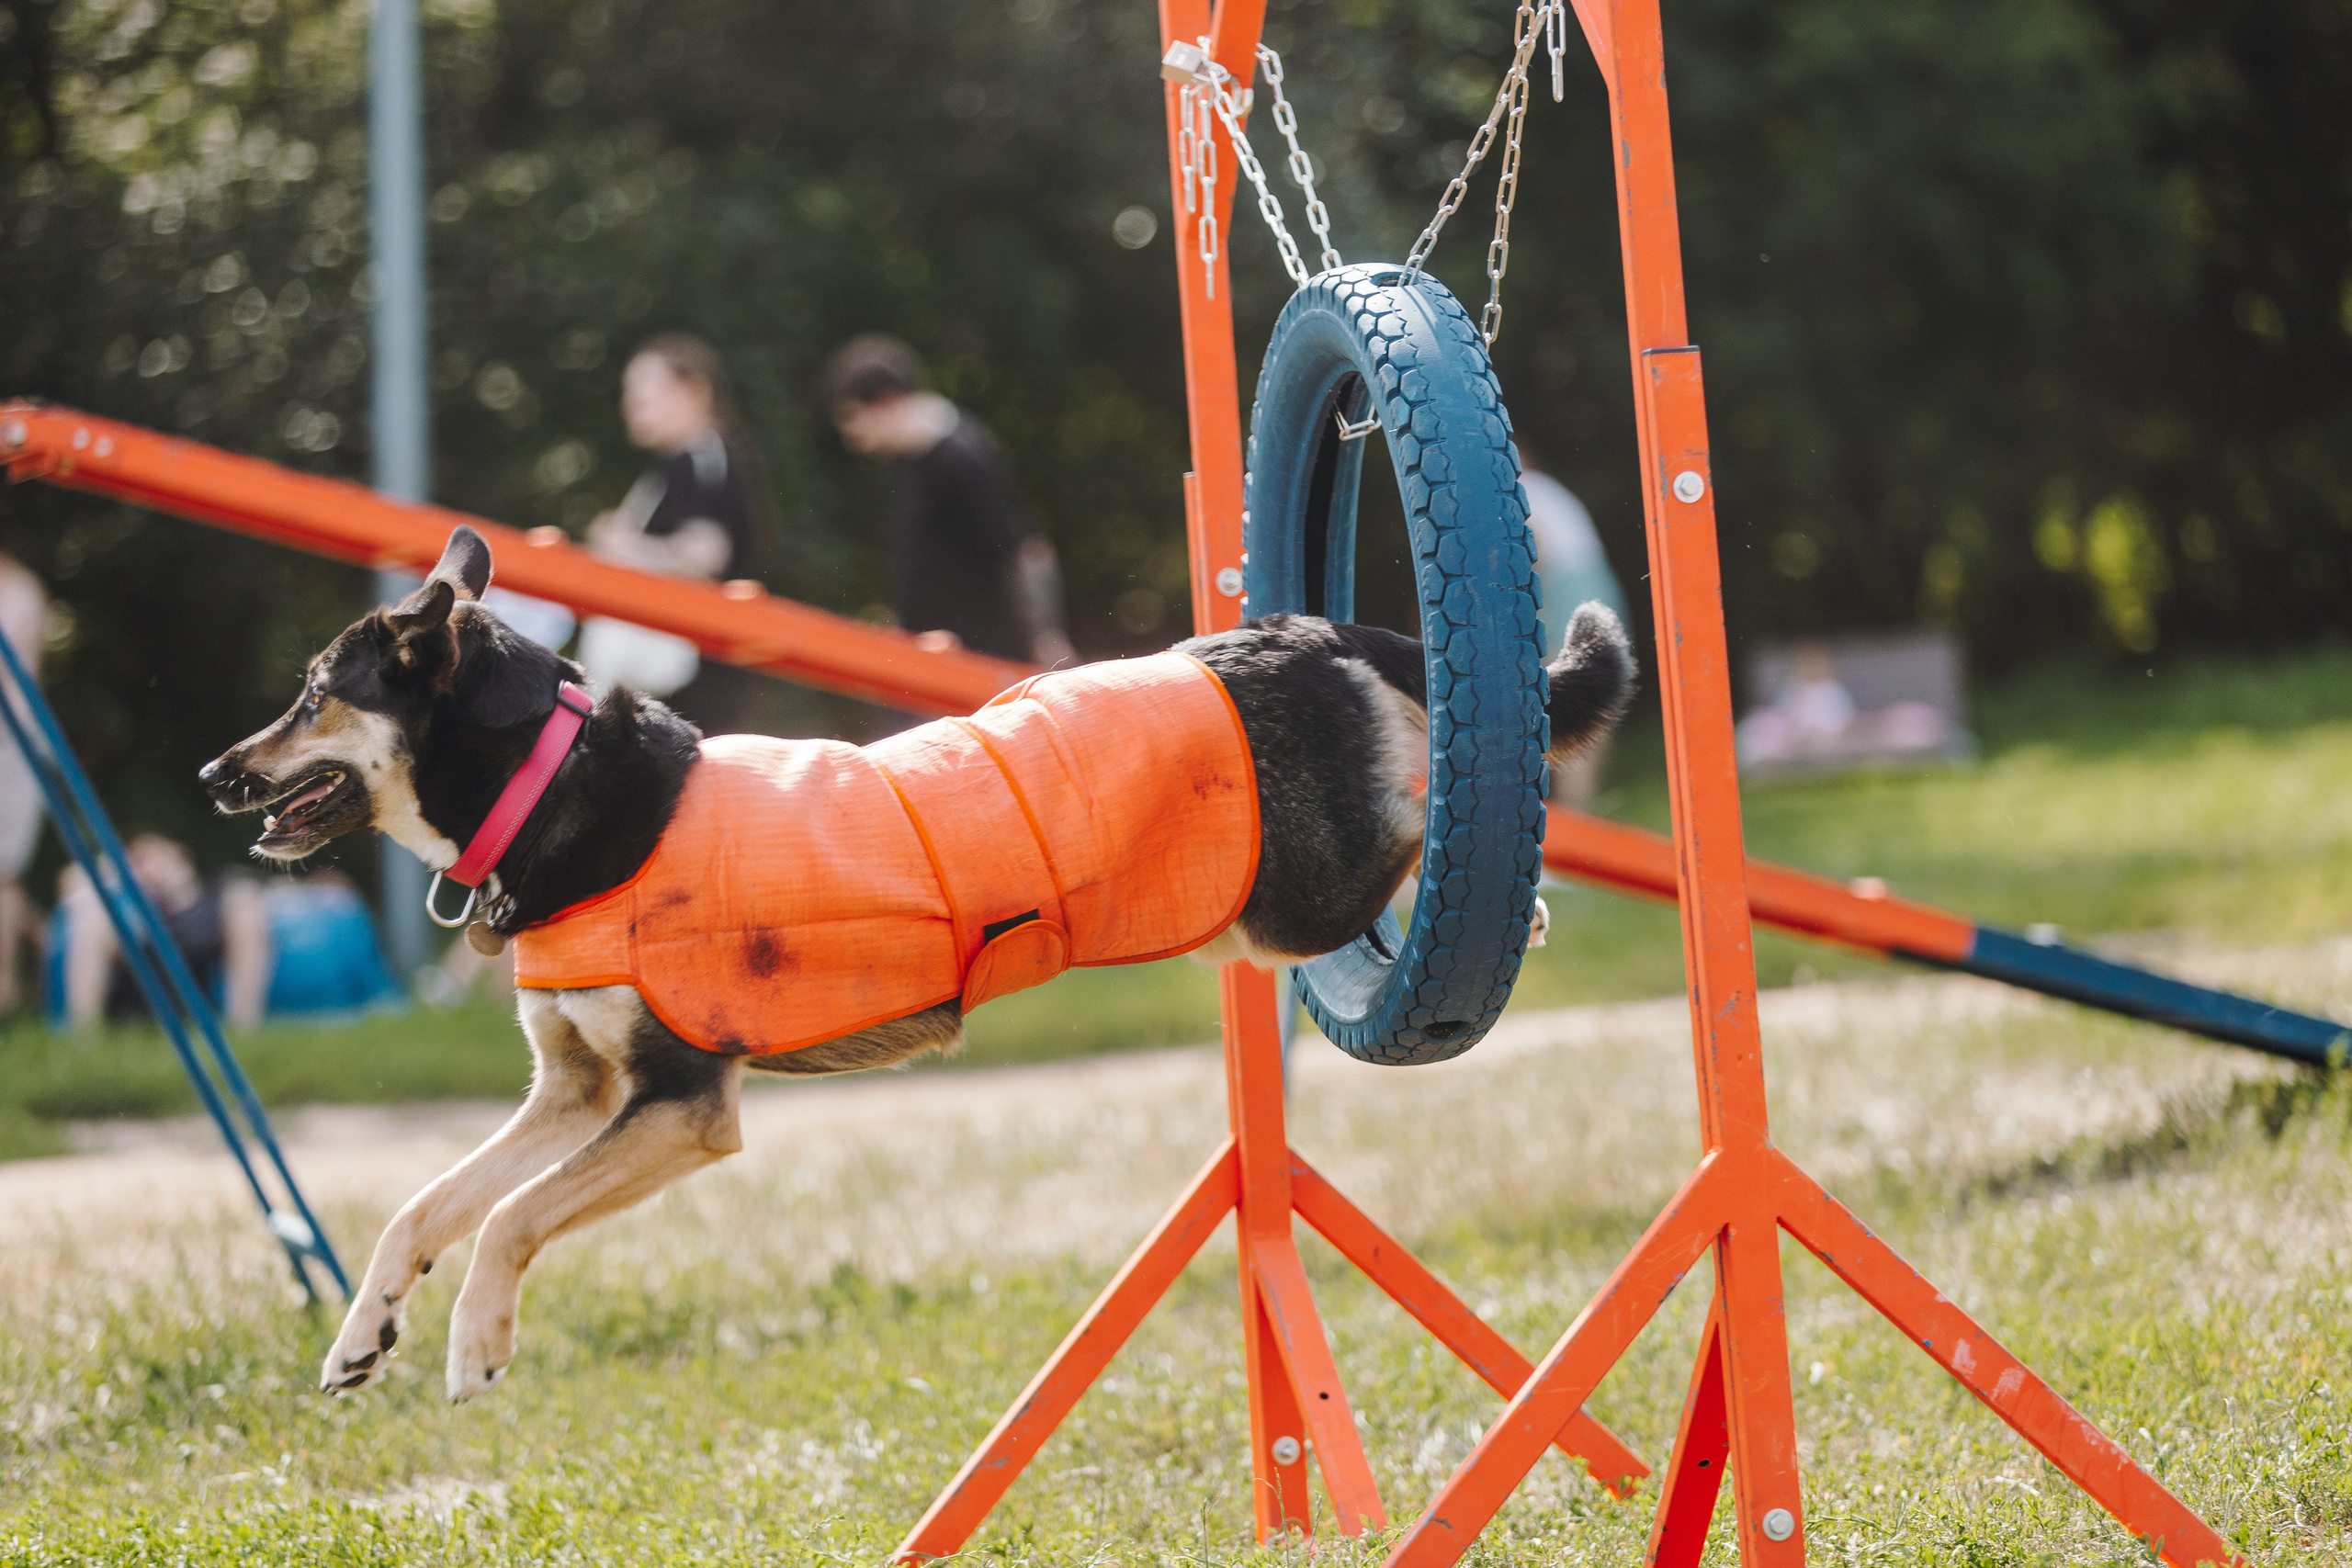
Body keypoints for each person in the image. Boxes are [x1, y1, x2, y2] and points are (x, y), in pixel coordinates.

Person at [823, 334, 1073, 666]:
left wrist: (1044, 636)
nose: (851, 436)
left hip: (984, 653)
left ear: (886, 400)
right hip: (935, 652)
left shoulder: (956, 457)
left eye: (852, 416)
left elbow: (1023, 551)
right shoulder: (908, 461)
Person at [579, 333, 775, 734]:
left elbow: (705, 554)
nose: (631, 409)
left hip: (694, 684)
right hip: (691, 682)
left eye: (644, 396)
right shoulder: (689, 461)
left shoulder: (699, 459)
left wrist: (624, 544)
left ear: (694, 391)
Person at [50, 837, 398, 1030]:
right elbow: (72, 886)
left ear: (182, 857)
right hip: (151, 934)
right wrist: (122, 872)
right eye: (141, 860)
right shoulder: (128, 901)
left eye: (158, 856)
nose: (151, 864)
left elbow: (273, 894)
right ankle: (82, 1038)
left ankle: (243, 1030)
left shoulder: (219, 891)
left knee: (244, 900)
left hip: (205, 930)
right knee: (92, 919)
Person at [1520, 452, 1628, 805]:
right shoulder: (1551, 490)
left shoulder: (1520, 489)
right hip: (1597, 586)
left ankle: (1570, 818)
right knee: (1592, 697)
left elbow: (1537, 550)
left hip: (1565, 589)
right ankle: (1581, 808)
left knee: (1560, 698)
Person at [0, 553, 48, 1013]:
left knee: (5, 875)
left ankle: (7, 990)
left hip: (10, 744)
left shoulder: (20, 591)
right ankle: (50, 946)